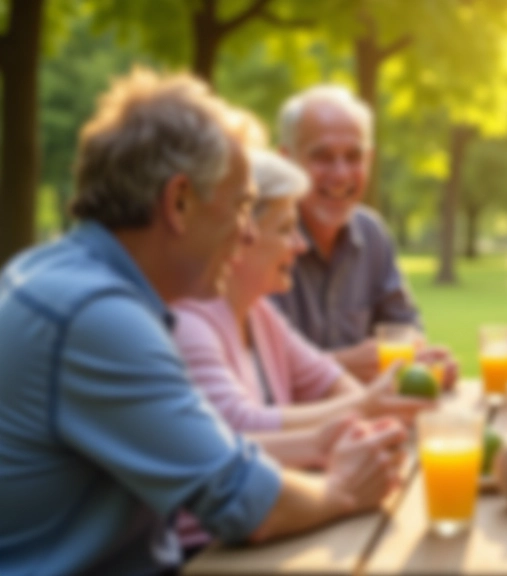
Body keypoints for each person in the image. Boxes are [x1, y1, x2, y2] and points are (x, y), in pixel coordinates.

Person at [0, 69, 406, 575]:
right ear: (179, 202)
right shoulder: (98, 316)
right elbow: (242, 503)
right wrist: (343, 490)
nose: (245, 234)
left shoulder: (58, 275)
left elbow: (212, 445)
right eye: (240, 207)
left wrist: (316, 440)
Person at [172, 148, 435, 551]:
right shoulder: (191, 320)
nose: (298, 245)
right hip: (209, 550)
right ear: (241, 233)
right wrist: (366, 408)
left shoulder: (259, 314)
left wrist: (370, 427)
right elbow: (237, 428)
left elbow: (330, 380)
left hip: (271, 526)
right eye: (285, 229)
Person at [273, 85, 455, 385]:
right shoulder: (259, 242)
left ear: (369, 160)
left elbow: (405, 328)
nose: (341, 173)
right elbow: (252, 375)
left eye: (353, 156)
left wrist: (423, 360)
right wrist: (341, 367)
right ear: (285, 159)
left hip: (367, 425)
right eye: (322, 156)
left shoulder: (372, 234)